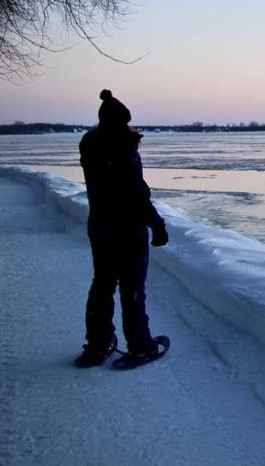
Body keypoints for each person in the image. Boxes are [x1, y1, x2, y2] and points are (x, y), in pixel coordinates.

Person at [75, 89, 169, 368]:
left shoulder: (90, 145)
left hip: (100, 227)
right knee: (131, 288)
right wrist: (157, 225)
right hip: (128, 229)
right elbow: (136, 194)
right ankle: (140, 346)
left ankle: (98, 345)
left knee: (102, 284)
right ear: (123, 121)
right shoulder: (123, 148)